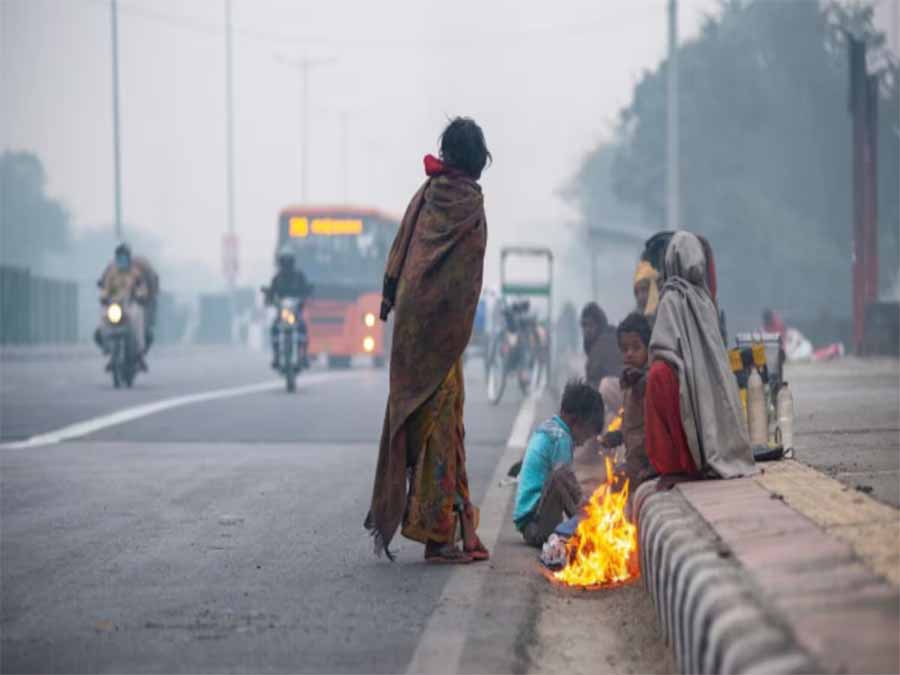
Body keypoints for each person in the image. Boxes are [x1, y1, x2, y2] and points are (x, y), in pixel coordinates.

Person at [365, 117, 491, 564]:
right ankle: (438, 538)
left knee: (426, 419)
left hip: (411, 328)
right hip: (439, 331)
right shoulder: (469, 203)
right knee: (442, 425)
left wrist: (391, 296)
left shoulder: (427, 195)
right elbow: (465, 280)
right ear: (478, 160)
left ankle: (456, 527)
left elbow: (401, 254)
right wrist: (457, 326)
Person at [644, 231, 756, 479]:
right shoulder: (706, 300)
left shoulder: (671, 297)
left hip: (679, 386)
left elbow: (662, 349)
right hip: (704, 385)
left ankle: (672, 464)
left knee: (658, 376)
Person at [513, 380, 605, 547]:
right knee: (562, 476)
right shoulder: (561, 438)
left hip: (530, 523)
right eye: (586, 434)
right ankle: (586, 525)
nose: (584, 442)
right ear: (574, 421)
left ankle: (584, 522)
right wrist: (585, 509)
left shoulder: (549, 427)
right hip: (536, 527)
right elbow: (565, 482)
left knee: (566, 480)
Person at [602, 312, 657, 491]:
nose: (630, 354)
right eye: (625, 349)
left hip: (650, 467)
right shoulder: (629, 382)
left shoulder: (651, 381)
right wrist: (617, 436)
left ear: (648, 348)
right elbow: (632, 426)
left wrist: (653, 467)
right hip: (635, 462)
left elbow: (656, 429)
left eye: (636, 347)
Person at [95, 243, 149, 369]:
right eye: (120, 257)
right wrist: (103, 297)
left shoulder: (135, 273)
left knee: (137, 318)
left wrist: (140, 295)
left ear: (129, 258)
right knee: (103, 321)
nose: (122, 260)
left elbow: (141, 287)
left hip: (130, 304)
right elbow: (105, 289)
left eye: (124, 257)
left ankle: (139, 352)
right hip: (114, 306)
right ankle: (108, 349)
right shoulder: (112, 273)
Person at [265, 246, 313, 369]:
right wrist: (269, 299)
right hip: (282, 312)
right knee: (274, 329)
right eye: (284, 261)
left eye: (288, 260)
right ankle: (276, 356)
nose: (286, 264)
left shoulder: (299, 276)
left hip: (295, 311)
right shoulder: (277, 278)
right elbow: (271, 292)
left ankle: (304, 356)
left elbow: (306, 289)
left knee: (303, 328)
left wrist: (305, 297)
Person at [581, 302, 623, 428]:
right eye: (584, 325)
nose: (587, 330)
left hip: (616, 400)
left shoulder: (604, 343)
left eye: (590, 325)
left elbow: (594, 384)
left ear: (599, 325)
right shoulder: (599, 342)